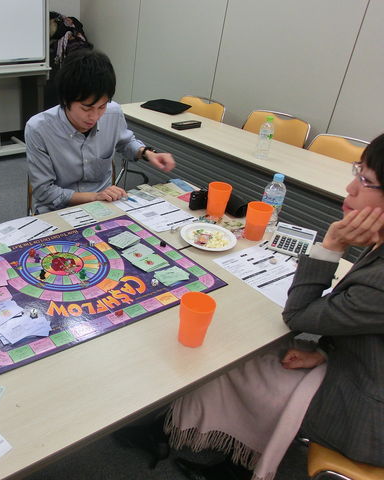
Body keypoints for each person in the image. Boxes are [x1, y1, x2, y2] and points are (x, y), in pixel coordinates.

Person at [163, 133, 384, 480]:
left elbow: (297, 315)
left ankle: (237, 462)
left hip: (365, 411)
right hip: (358, 364)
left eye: (365, 181)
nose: (350, 187)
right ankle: (231, 454)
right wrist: (324, 351)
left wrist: (332, 245)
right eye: (357, 172)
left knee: (227, 361)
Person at [25, 49, 175, 214]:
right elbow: (44, 192)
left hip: (103, 206)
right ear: (66, 100)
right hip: (58, 210)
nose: (95, 116)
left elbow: (125, 142)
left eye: (102, 107)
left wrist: (147, 153)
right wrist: (94, 197)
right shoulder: (39, 129)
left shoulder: (113, 113)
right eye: (86, 108)